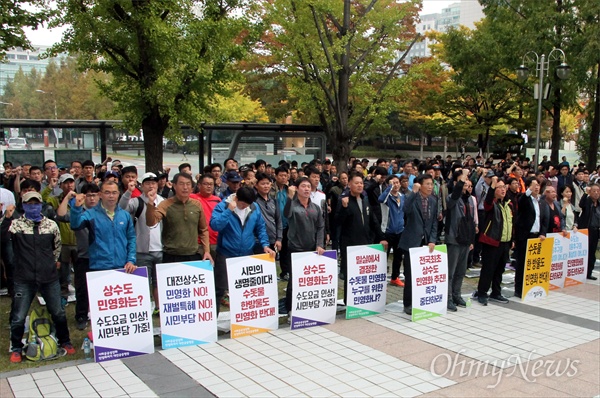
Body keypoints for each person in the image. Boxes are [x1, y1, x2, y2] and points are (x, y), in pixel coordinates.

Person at [4, 191, 76, 363]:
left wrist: (50, 263)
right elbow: (3, 239)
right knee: (19, 315)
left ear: (41, 205)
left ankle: (64, 341)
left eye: (36, 203)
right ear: (23, 205)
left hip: (48, 276)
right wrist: (6, 218)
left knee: (58, 311)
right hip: (24, 278)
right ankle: (16, 347)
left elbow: (56, 248)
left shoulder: (51, 225)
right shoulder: (15, 225)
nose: (33, 207)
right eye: (29, 204)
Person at [210, 186, 274, 314]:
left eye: (247, 204)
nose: (244, 207)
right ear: (236, 198)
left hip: (246, 253)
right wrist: (229, 211)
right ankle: (213, 319)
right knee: (220, 288)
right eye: (242, 204)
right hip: (226, 252)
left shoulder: (254, 208)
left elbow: (260, 227)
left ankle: (243, 317)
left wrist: (265, 245)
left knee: (244, 289)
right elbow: (215, 225)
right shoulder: (223, 206)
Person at [336, 172, 388, 303]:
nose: (359, 185)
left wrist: (381, 237)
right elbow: (337, 222)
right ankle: (350, 302)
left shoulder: (365, 200)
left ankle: (363, 299)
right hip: (350, 244)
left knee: (363, 274)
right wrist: (344, 208)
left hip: (365, 242)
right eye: (356, 183)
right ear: (349, 184)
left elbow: (373, 221)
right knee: (350, 274)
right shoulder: (343, 200)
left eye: (361, 183)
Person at [119, 172, 164, 314]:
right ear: (142, 185)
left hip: (161, 249)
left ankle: (159, 307)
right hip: (142, 250)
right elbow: (121, 209)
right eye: (147, 183)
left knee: (159, 282)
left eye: (154, 183)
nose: (151, 186)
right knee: (143, 282)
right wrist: (128, 192)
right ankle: (142, 310)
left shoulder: (163, 201)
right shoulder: (136, 201)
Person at [57, 183, 99, 330]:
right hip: (84, 256)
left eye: (95, 195)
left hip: (103, 257)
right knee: (82, 289)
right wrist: (68, 198)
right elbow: (61, 216)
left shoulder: (105, 211)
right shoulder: (78, 212)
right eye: (88, 195)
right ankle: (81, 315)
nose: (92, 199)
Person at [70, 180, 137, 273]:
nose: (111, 196)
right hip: (99, 267)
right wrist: (76, 208)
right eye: (107, 192)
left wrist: (131, 260)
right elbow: (75, 225)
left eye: (114, 193)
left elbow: (131, 239)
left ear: (118, 194)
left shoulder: (125, 215)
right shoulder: (91, 214)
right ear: (100, 195)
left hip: (123, 266)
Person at [146, 172, 213, 264]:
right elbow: (151, 222)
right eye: (181, 184)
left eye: (188, 184)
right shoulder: (165, 204)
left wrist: (206, 251)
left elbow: (203, 230)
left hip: (193, 254)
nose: (185, 187)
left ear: (192, 187)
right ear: (174, 186)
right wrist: (150, 204)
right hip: (171, 256)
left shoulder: (196, 205)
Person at [283, 177, 325, 314]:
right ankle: (290, 309)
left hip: (312, 249)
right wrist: (290, 197)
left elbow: (320, 227)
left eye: (308, 186)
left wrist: (319, 244)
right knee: (294, 281)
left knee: (309, 280)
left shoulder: (316, 208)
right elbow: (286, 214)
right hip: (295, 249)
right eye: (303, 186)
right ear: (297, 188)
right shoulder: (293, 205)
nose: (306, 189)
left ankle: (308, 307)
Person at [397, 174, 438, 315]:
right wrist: (413, 193)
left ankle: (420, 300)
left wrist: (432, 239)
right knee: (410, 274)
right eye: (427, 184)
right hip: (411, 242)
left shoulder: (433, 200)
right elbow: (405, 210)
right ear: (420, 185)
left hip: (425, 242)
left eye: (431, 184)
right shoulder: (412, 198)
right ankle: (408, 303)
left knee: (422, 275)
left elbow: (434, 222)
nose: (430, 187)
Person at [476, 177, 515, 305]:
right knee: (488, 269)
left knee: (500, 269)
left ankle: (496, 292)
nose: (503, 189)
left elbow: (511, 223)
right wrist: (492, 185)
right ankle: (482, 292)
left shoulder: (509, 204)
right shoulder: (491, 204)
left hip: (505, 242)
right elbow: (487, 201)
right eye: (499, 187)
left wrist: (512, 239)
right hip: (492, 241)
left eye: (504, 187)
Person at [43, 173, 78, 309]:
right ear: (61, 185)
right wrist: (50, 187)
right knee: (63, 271)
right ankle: (63, 296)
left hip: (77, 241)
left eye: (71, 183)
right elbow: (43, 201)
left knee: (80, 271)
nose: (69, 186)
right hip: (62, 241)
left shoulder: (79, 199)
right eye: (66, 183)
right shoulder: (55, 200)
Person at [445, 169, 478, 310]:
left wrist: (471, 241)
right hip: (454, 239)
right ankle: (448, 298)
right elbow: (457, 191)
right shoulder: (452, 198)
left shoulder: (470, 199)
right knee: (451, 272)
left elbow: (471, 222)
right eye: (464, 184)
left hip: (465, 240)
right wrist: (462, 177)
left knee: (461, 271)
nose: (467, 187)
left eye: (468, 185)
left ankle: (457, 295)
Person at [513, 177, 549, 298]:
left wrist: (543, 233)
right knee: (522, 263)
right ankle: (519, 289)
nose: (537, 187)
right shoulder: (525, 199)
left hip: (537, 237)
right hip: (525, 236)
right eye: (534, 185)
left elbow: (544, 219)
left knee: (534, 264)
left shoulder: (542, 202)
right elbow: (521, 201)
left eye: (538, 185)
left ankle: (532, 287)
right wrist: (529, 191)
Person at [378, 175, 405, 287]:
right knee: (384, 256)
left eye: (397, 182)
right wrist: (389, 187)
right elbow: (380, 199)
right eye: (393, 183)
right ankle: (380, 279)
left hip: (400, 230)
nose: (396, 185)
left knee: (398, 257)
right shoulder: (387, 196)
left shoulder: (402, 196)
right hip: (388, 231)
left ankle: (395, 277)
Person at [253, 172, 283, 255]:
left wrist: (279, 239)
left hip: (273, 239)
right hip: (257, 240)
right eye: (262, 184)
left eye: (267, 183)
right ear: (256, 185)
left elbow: (278, 221)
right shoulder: (253, 201)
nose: (266, 186)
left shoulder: (273, 201)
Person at [576, 183, 600, 280]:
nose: (596, 193)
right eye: (594, 191)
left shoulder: (599, 204)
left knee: (592, 253)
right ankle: (581, 272)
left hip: (596, 231)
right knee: (585, 252)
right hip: (586, 230)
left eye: (598, 191)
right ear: (590, 192)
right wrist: (586, 194)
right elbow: (581, 204)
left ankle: (589, 272)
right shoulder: (587, 201)